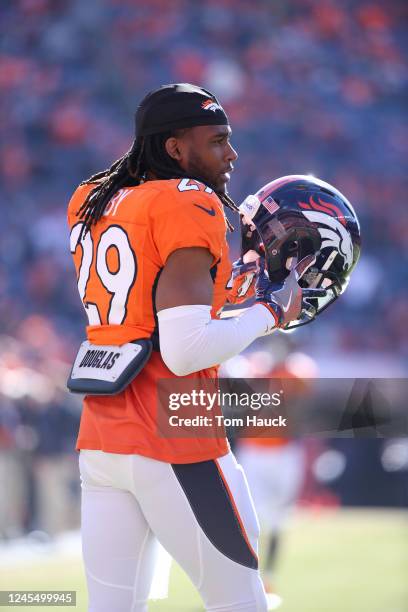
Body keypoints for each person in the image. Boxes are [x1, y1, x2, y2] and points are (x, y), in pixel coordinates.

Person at [67, 83, 312, 612]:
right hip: (174, 437)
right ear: (176, 148)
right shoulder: (187, 200)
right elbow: (183, 350)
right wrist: (271, 311)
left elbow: (149, 314)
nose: (232, 153)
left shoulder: (95, 198)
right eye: (218, 140)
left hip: (102, 436)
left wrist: (233, 291)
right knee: (242, 604)